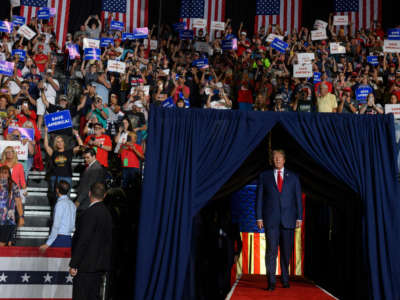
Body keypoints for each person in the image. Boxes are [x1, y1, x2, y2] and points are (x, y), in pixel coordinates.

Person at [256, 150, 302, 291]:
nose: (277, 160)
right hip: (271, 220)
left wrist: (299, 216)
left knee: (286, 252)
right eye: (275, 158)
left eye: (280, 157)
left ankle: (285, 278)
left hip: (288, 220)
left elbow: (298, 198)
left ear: (284, 160)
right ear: (272, 160)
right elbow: (259, 198)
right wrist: (259, 217)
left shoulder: (293, 177)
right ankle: (271, 281)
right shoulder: (264, 176)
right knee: (271, 251)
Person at [69, 182, 112, 300]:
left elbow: (83, 240)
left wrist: (74, 264)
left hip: (85, 267)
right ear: (105, 195)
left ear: (89, 194)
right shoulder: (108, 214)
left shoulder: (88, 214)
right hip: (99, 267)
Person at [43, 127, 83, 195]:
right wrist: (46, 132)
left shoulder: (69, 152)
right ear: (56, 144)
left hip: (67, 178)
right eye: (58, 142)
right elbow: (46, 146)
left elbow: (82, 146)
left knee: (66, 198)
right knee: (56, 199)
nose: (60, 143)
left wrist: (76, 134)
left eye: (61, 141)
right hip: (55, 178)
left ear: (64, 142)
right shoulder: (53, 153)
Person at [39, 180, 76, 251]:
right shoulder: (72, 204)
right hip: (68, 238)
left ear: (57, 190)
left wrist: (48, 243)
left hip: (59, 238)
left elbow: (56, 225)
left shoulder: (60, 204)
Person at [0, 165, 24, 246]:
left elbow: (18, 202)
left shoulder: (13, 185)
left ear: (9, 175)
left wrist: (21, 217)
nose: (3, 175)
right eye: (1, 173)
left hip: (7, 220)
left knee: (2, 245)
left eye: (5, 173)